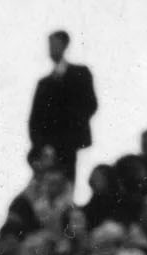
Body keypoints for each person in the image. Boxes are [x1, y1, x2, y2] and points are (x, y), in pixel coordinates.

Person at [26, 30, 97, 181]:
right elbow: (35, 119)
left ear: (64, 45)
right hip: (46, 149)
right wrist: (41, 145)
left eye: (54, 44)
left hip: (68, 145)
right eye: (49, 45)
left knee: (66, 185)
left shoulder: (80, 73)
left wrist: (69, 132)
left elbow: (90, 104)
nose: (51, 49)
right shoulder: (44, 83)